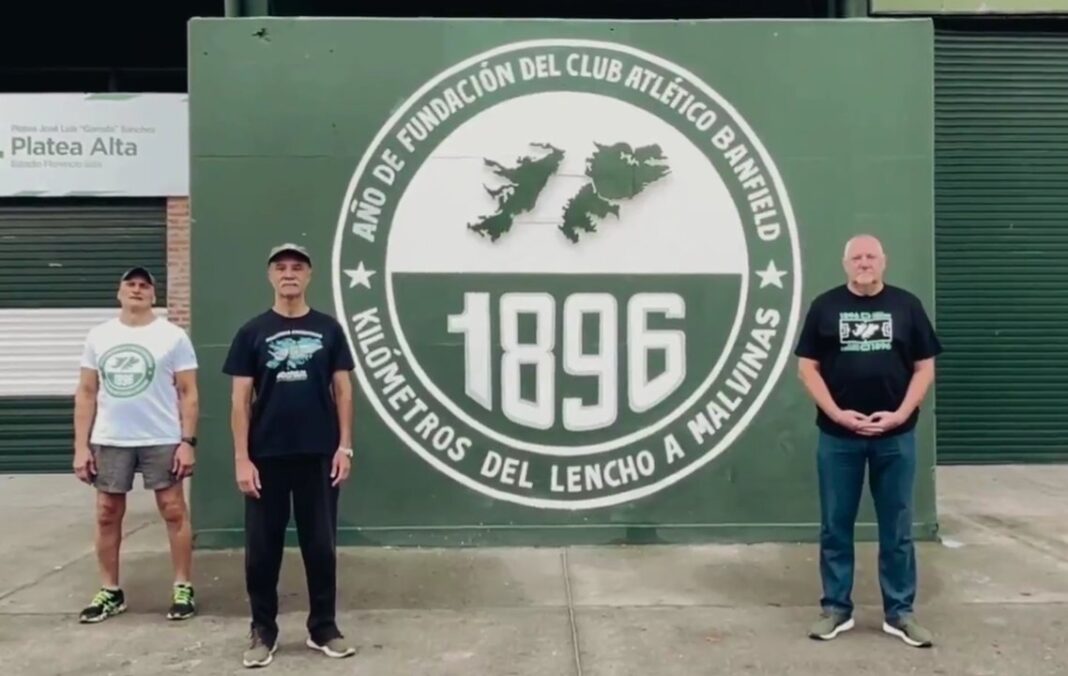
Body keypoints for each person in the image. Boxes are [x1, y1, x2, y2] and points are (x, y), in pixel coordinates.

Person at [794, 234, 942, 648]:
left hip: (895, 439)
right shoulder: (825, 307)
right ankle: (836, 609)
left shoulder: (906, 306)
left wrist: (900, 414)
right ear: (845, 264)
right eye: (856, 257)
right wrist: (837, 413)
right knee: (835, 525)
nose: (864, 262)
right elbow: (808, 369)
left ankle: (900, 613)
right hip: (837, 439)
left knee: (896, 527)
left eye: (870, 256)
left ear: (883, 261)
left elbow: (924, 368)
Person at [222, 242, 357, 668]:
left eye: (297, 267)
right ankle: (263, 630)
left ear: (308, 275)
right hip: (266, 458)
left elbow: (344, 390)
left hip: (318, 454)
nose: (289, 274)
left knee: (321, 545)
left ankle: (324, 628)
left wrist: (344, 445)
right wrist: (242, 458)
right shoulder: (252, 332)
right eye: (281, 267)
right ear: (270, 277)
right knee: (263, 550)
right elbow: (240, 400)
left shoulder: (329, 329)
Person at [72, 266, 200, 624]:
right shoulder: (99, 336)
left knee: (173, 509)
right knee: (106, 513)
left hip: (161, 436)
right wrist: (81, 447)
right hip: (111, 438)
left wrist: (187, 441)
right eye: (131, 284)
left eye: (145, 286)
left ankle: (182, 586)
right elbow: (86, 392)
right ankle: (110, 591)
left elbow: (188, 393)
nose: (138, 290)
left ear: (154, 296)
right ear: (119, 292)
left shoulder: (173, 337)